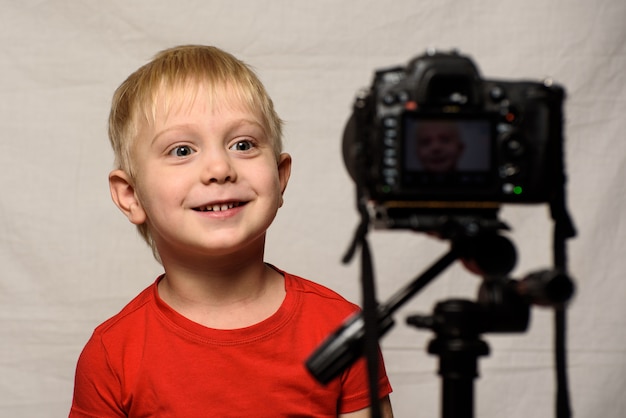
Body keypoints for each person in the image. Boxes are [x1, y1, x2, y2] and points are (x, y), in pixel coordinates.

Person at [69, 45, 393, 417]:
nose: (219, 168)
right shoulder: (112, 354)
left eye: (243, 144)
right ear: (131, 196)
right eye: (181, 150)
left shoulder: (341, 329)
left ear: (280, 175)